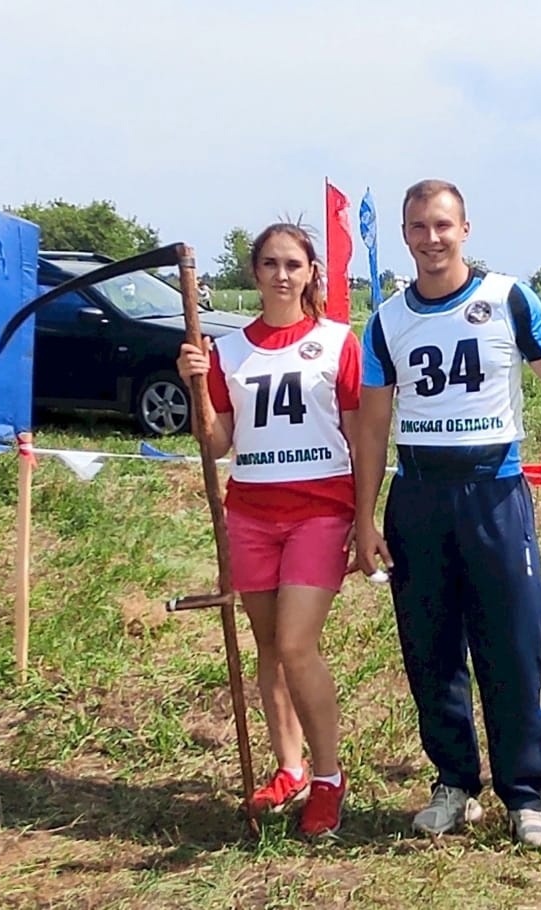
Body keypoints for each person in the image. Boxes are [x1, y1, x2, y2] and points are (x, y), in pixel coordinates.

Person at [353, 180, 541, 848]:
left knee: (513, 645)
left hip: (495, 493)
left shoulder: (507, 298)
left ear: (465, 228)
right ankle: (454, 784)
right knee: (430, 649)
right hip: (419, 497)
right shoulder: (386, 322)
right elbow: (374, 430)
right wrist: (365, 517)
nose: (431, 238)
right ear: (406, 236)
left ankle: (525, 795)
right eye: (418, 227)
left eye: (442, 225)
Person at [176, 223, 361, 837]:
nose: (282, 274)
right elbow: (217, 440)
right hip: (250, 512)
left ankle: (330, 778)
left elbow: (362, 432)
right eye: (270, 263)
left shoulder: (338, 342)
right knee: (268, 646)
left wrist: (366, 516)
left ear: (311, 273)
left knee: (295, 643)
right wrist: (197, 386)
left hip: (319, 508)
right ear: (254, 272)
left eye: (294, 264)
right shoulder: (227, 351)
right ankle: (291, 766)